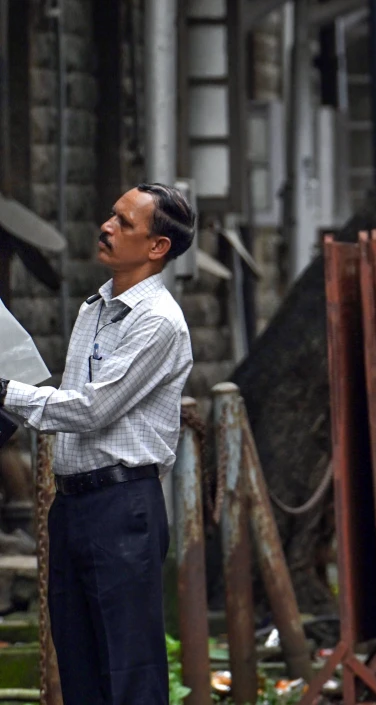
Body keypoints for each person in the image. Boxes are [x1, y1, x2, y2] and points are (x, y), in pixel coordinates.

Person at [0, 183, 194, 704]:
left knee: (129, 670)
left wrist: (4, 391)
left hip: (123, 505)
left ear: (157, 246)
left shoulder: (159, 321)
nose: (106, 227)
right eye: (112, 215)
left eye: (124, 222)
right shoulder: (95, 308)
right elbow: (68, 400)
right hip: (72, 504)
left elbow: (91, 409)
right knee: (79, 664)